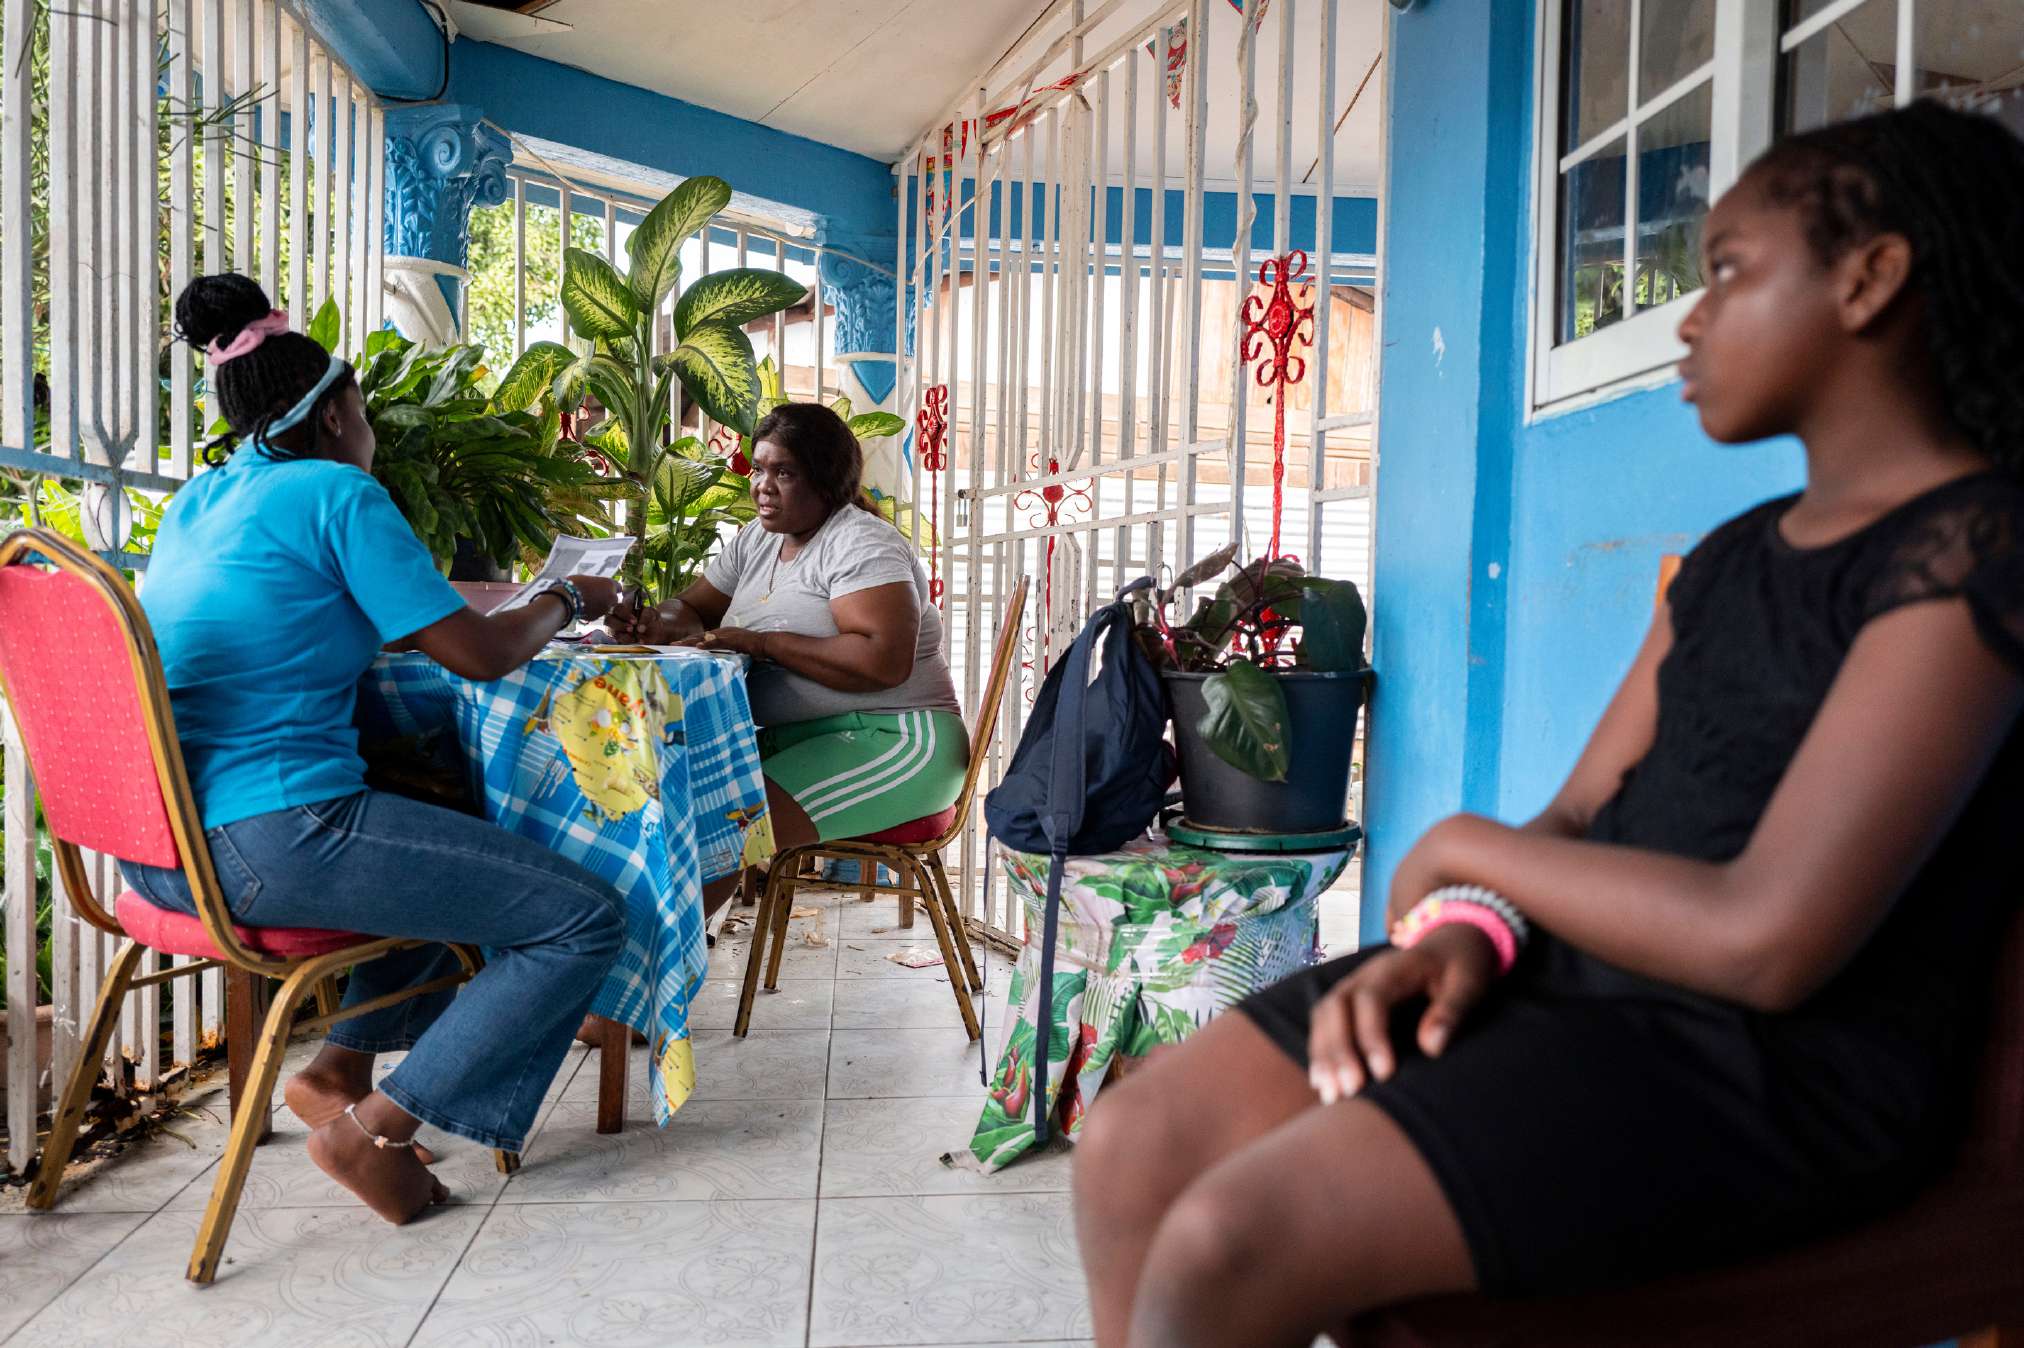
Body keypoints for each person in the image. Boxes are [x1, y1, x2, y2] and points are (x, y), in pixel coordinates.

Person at [1070, 101, 2024, 1347]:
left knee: (1228, 1242)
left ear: (1869, 276)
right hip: (1577, 980)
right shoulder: (1733, 560)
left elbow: (1765, 940)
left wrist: (1464, 847)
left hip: (1760, 1054)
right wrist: (1469, 926)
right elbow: (1580, 814)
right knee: (1132, 1146)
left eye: (1727, 272)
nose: (1686, 317)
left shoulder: (1976, 546)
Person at [119, 273, 629, 1225]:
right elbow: (477, 657)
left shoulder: (200, 504)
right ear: (336, 412)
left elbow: (301, 618)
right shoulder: (339, 492)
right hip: (270, 841)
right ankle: (375, 1129)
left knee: (441, 825)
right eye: (363, 411)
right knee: (580, 918)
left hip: (158, 852)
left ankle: (335, 1070)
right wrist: (568, 600)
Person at [609, 402, 965, 906]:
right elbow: (691, 608)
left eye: (783, 472)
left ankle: (666, 977)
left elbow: (882, 662)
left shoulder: (861, 543)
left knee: (718, 826)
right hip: (802, 740)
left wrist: (758, 642)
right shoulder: (756, 539)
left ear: (825, 480)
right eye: (758, 469)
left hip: (896, 740)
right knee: (659, 798)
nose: (762, 486)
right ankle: (641, 963)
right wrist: (649, 621)